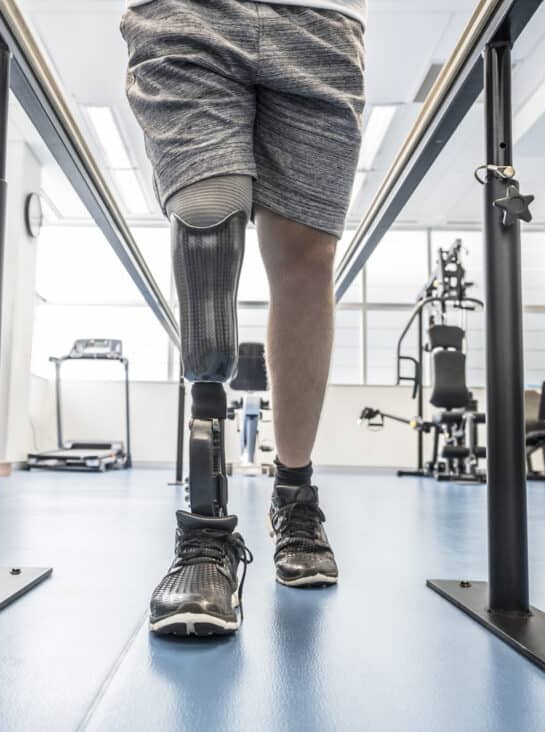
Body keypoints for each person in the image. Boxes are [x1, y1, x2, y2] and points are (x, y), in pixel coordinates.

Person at [120, 0, 367, 635]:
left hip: (320, 20)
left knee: (306, 260)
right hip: (187, 13)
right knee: (207, 212)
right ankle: (205, 526)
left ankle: (294, 495)